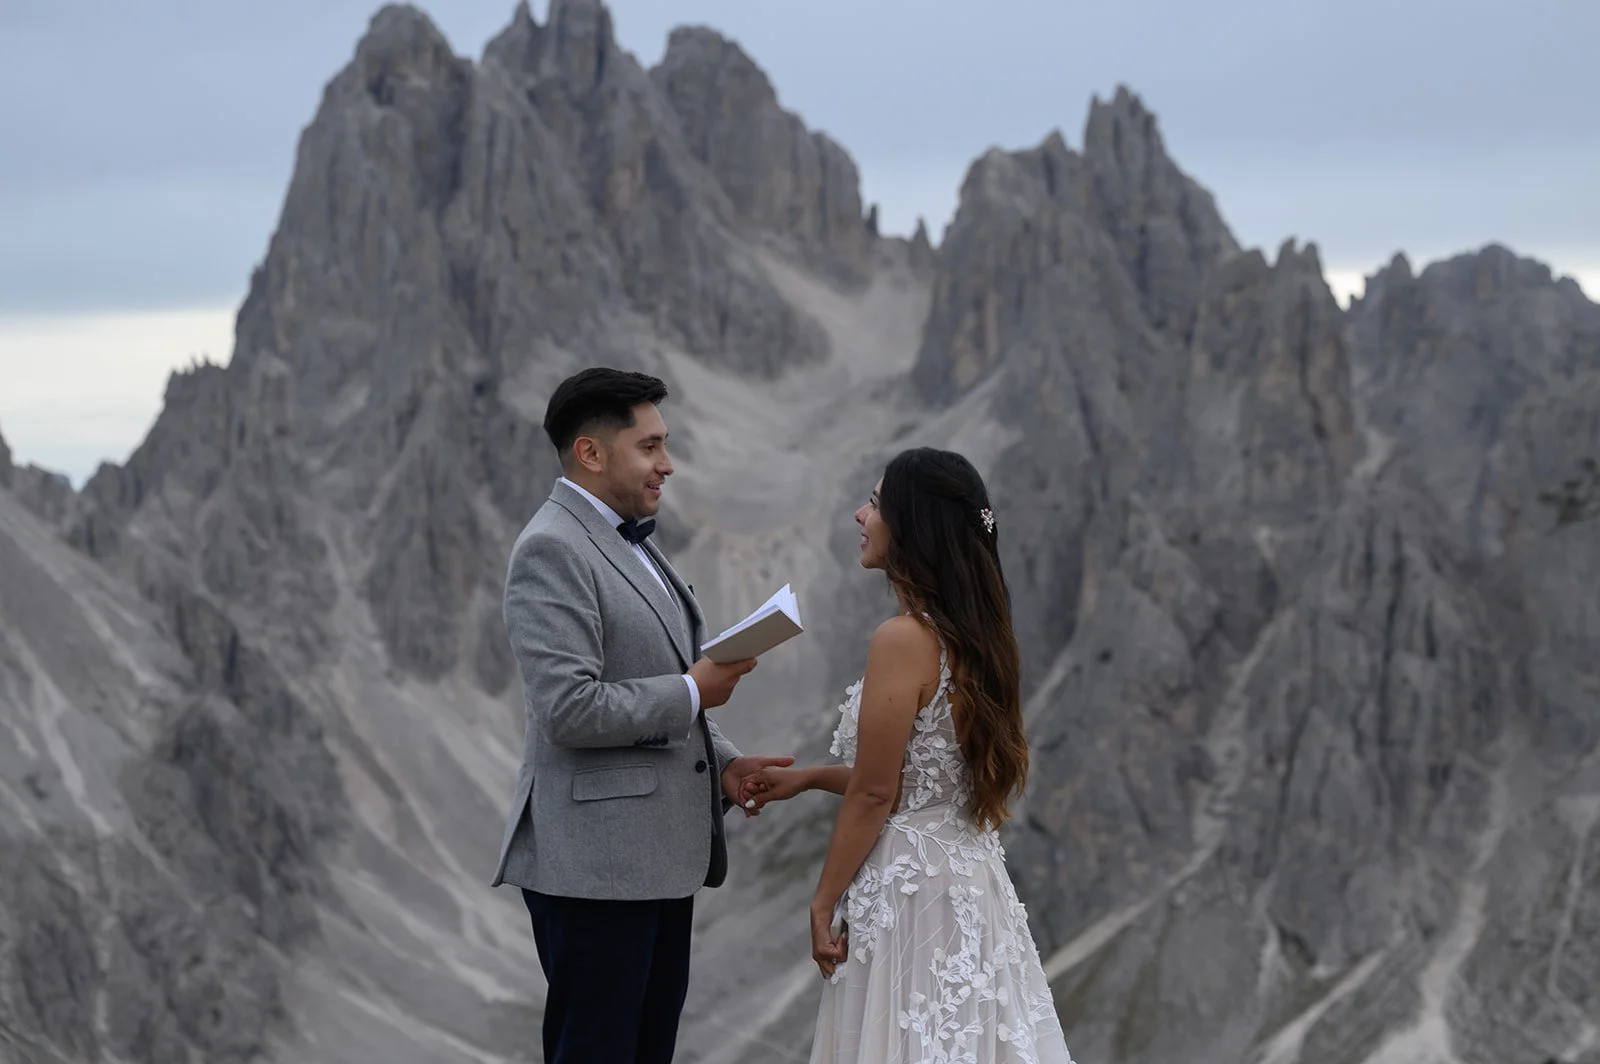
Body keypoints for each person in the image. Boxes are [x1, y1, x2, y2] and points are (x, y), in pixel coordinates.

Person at [490, 366, 794, 1064]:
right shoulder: (551, 547)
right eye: (650, 446)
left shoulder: (628, 539)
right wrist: (692, 690)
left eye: (665, 445)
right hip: (598, 869)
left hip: (651, 861)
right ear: (591, 453)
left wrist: (723, 764)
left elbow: (645, 680)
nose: (668, 463)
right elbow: (568, 708)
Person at [740, 447, 1076, 1064]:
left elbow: (878, 793)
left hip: (912, 894)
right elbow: (923, 779)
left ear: (911, 525)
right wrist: (808, 778)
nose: (859, 515)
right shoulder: (978, 639)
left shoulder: (902, 639)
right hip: (970, 883)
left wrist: (822, 902)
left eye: (874, 503)